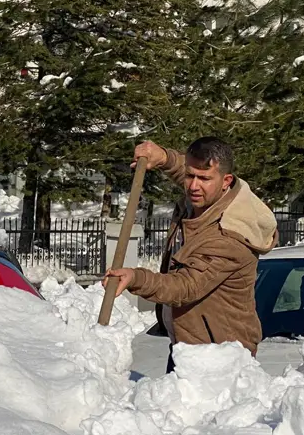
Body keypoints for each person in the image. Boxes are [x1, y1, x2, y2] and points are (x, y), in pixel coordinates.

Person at [103, 137, 278, 373]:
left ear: (226, 181)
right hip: (187, 345)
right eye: (189, 176)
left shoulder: (229, 234)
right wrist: (164, 157)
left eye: (204, 179)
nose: (194, 186)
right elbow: (193, 170)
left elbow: (186, 287)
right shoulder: (205, 199)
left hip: (220, 358)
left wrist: (137, 278)